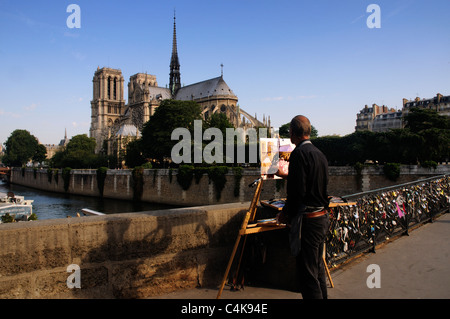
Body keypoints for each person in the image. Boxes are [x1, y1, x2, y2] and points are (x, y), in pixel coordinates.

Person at [276, 115, 330, 299]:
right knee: (318, 270)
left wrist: (285, 214)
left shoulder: (298, 154)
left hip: (308, 222)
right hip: (322, 217)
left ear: (292, 133)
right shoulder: (319, 154)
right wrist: (287, 176)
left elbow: (297, 192)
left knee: (307, 276)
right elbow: (312, 184)